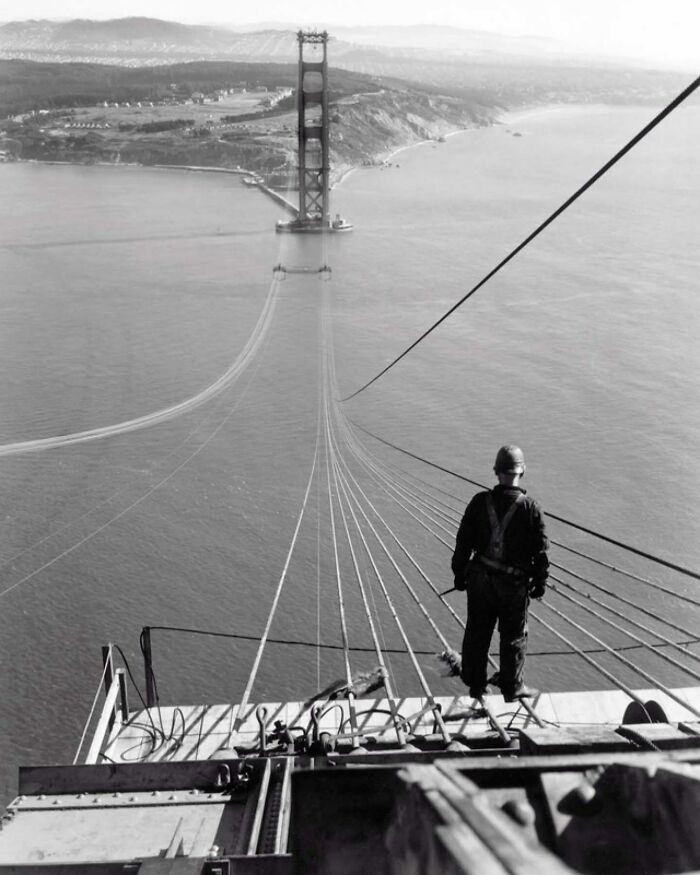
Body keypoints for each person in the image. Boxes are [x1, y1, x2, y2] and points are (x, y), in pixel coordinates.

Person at [451, 445, 549, 702]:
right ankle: (512, 687)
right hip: (513, 585)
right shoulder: (531, 508)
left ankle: (476, 685)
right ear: (522, 471)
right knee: (514, 636)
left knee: (476, 632)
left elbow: (463, 541)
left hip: (481, 580)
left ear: (496, 472)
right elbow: (540, 553)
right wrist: (540, 582)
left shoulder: (479, 502)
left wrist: (459, 573)